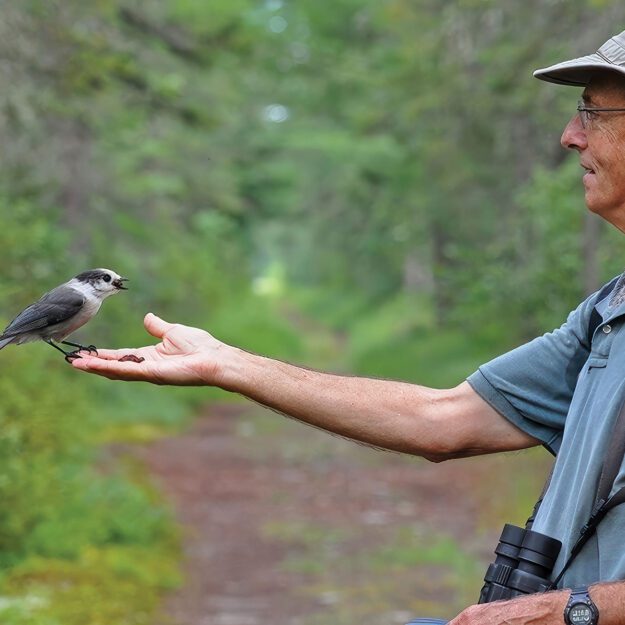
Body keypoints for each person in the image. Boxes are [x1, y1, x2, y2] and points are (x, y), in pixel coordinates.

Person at [72, 30, 625, 625]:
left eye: (592, 111)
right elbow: (442, 419)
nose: (570, 136)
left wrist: (572, 610)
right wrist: (228, 365)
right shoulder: (609, 313)